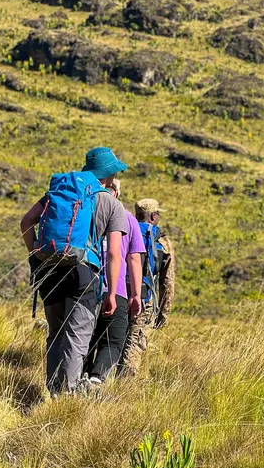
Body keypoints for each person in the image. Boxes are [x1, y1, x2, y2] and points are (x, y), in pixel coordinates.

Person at [20, 147, 128, 396]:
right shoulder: (111, 203)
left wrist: (35, 250)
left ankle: (53, 391)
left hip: (49, 270)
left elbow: (26, 222)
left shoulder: (59, 192)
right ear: (109, 173)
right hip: (83, 273)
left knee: (55, 333)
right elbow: (114, 254)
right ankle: (67, 399)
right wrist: (112, 293)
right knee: (76, 337)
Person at [83, 179, 145, 385]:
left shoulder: (86, 213)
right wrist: (136, 295)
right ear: (116, 193)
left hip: (86, 287)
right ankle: (95, 380)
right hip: (116, 290)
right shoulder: (128, 219)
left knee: (85, 340)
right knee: (113, 342)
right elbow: (134, 259)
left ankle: (77, 381)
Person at [120, 198, 175, 375]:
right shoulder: (162, 241)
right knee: (134, 343)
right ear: (153, 216)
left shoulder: (123, 232)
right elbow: (167, 282)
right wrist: (163, 314)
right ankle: (125, 386)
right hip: (145, 297)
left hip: (119, 292)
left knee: (114, 338)